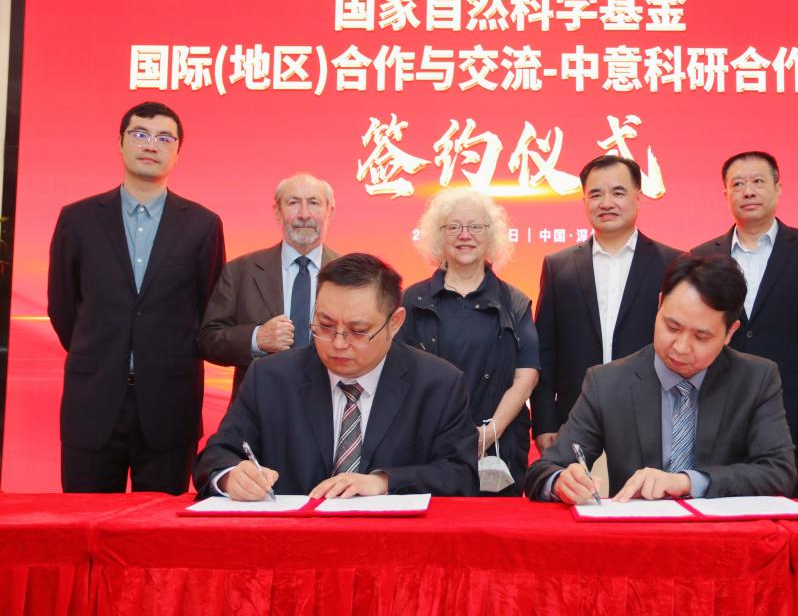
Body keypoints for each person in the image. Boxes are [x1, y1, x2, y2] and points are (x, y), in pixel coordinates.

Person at [192, 253, 478, 499]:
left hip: (395, 544)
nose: (338, 343)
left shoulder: (438, 384)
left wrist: (384, 483)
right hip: (292, 540)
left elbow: (460, 475)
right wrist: (231, 476)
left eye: (357, 331)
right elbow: (217, 456)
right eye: (325, 326)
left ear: (395, 323)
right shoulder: (270, 378)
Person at [47, 101, 225, 494]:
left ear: (178, 153)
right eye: (140, 134)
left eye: (164, 138)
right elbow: (62, 307)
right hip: (93, 399)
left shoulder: (202, 225)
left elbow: (208, 311)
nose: (150, 145)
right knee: (85, 522)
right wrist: (99, 351)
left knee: (159, 525)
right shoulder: (77, 219)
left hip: (169, 403)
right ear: (121, 143)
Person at [527, 254, 797, 503]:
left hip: (722, 534)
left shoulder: (756, 379)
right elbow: (543, 471)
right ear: (659, 305)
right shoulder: (607, 383)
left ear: (730, 333)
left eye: (701, 336)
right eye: (672, 327)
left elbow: (779, 472)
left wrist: (687, 482)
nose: (681, 347)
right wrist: (561, 482)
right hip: (639, 534)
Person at [691, 151, 798, 498]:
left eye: (758, 182)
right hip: (719, 414)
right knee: (724, 511)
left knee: (793, 510)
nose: (748, 191)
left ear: (778, 189)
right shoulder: (702, 256)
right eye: (738, 184)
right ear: (725, 194)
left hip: (794, 416)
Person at [530, 155, 681, 455]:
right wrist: (545, 421)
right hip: (575, 417)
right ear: (584, 201)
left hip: (654, 414)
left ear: (638, 198)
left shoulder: (673, 263)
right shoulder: (558, 266)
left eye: (618, 192)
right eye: (596, 194)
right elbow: (544, 349)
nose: (606, 203)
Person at [399, 189, 538, 496]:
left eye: (475, 226)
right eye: (454, 227)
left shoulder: (514, 302)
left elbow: (526, 377)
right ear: (439, 235)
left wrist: (489, 433)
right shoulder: (411, 300)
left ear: (490, 235)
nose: (465, 235)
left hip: (497, 451)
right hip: (426, 449)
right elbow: (396, 375)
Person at [198, 173, 339, 399]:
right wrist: (256, 338)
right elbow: (208, 340)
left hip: (331, 404)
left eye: (314, 203)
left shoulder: (354, 276)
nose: (304, 214)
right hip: (260, 406)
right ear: (277, 212)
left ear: (329, 212)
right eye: (293, 203)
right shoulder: (240, 271)